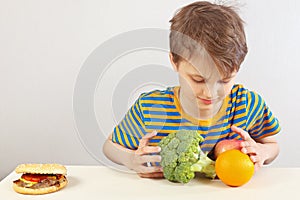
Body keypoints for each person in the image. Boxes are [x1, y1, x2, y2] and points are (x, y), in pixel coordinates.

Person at [103, 1, 281, 179]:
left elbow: (273, 145)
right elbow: (110, 147)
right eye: (198, 80)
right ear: (174, 61)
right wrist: (131, 160)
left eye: (225, 80)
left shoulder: (247, 104)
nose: (210, 92)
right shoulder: (150, 106)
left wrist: (262, 152)